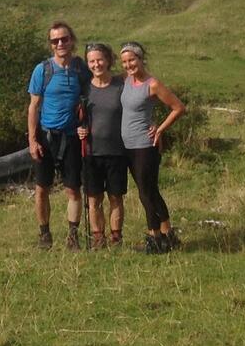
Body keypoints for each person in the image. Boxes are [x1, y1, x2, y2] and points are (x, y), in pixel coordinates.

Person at [27, 20, 90, 250]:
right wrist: (32, 141)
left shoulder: (81, 68)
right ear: (51, 44)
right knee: (42, 188)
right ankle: (45, 234)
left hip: (72, 137)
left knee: (73, 189)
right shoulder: (42, 69)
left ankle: (73, 236)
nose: (60, 43)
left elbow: (90, 98)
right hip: (46, 137)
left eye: (64, 39)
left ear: (72, 40)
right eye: (55, 41)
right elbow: (33, 106)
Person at [119, 41, 186, 254]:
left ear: (141, 59)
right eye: (125, 61)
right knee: (151, 190)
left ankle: (154, 238)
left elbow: (178, 108)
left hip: (145, 145)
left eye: (132, 60)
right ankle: (168, 234)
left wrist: (160, 130)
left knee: (145, 192)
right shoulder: (126, 80)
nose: (129, 65)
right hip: (128, 145)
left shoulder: (153, 84)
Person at [76, 43, 127, 249]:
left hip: (117, 152)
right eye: (91, 61)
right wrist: (78, 128)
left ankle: (116, 238)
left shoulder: (120, 85)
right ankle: (98, 238)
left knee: (116, 197)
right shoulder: (84, 88)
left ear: (108, 60)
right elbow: (77, 117)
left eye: (99, 60)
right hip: (90, 152)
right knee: (93, 199)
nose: (96, 64)